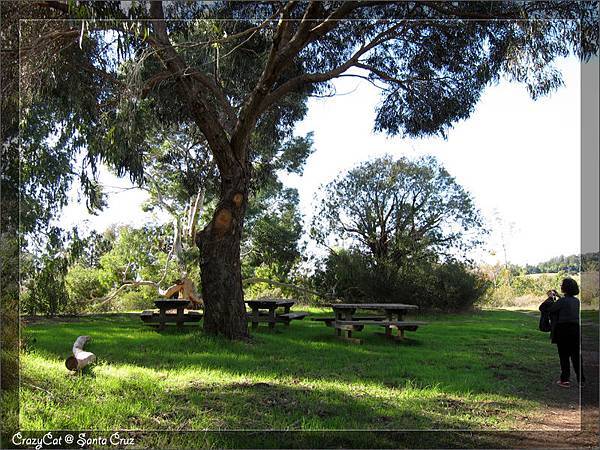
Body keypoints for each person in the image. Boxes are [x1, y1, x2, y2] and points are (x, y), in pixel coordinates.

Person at [539, 278, 585, 388]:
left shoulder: (562, 301)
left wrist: (550, 297)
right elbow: (565, 304)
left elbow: (549, 308)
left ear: (565, 288)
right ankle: (581, 380)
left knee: (564, 355)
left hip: (563, 330)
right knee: (576, 355)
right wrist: (559, 297)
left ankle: (565, 379)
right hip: (575, 330)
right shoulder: (576, 301)